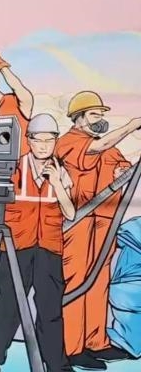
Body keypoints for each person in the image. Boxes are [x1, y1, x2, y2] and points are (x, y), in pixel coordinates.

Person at [0, 114, 75, 372]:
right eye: (38, 140)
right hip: (16, 248)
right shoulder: (13, 167)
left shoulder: (61, 172)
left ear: (56, 141)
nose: (44, 146)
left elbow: (70, 213)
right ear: (28, 140)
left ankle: (57, 366)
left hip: (49, 249)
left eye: (49, 140)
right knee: (6, 306)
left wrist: (57, 184)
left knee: (50, 310)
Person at [57, 91, 141, 370]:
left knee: (99, 281)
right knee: (77, 280)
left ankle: (96, 342)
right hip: (78, 223)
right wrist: (132, 125)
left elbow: (123, 166)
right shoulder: (68, 142)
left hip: (104, 223)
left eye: (102, 114)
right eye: (94, 114)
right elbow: (94, 150)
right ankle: (71, 348)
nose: (100, 119)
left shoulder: (108, 148)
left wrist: (122, 170)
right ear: (78, 118)